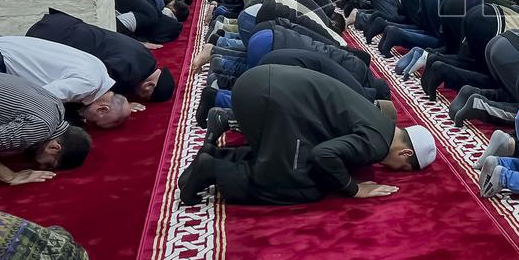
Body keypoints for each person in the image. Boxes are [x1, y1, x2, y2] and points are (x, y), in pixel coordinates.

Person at [179, 65, 437, 205]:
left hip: (261, 84)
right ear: (405, 152)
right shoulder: (378, 143)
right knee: (300, 186)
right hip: (268, 99)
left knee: (283, 159)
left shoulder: (382, 120)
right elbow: (323, 154)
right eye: (403, 168)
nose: (395, 171)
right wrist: (353, 188)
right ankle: (211, 168)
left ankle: (217, 154)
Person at [0, 35, 132, 128]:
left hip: (0, 47)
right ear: (102, 109)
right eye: (93, 121)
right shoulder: (88, 85)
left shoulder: (99, 70)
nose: (87, 121)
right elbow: (37, 101)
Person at [0, 70, 92, 185]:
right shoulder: (42, 126)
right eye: (49, 164)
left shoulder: (57, 105)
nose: (41, 167)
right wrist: (11, 176)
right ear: (54, 148)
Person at [26, 9, 175, 101]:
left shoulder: (147, 56)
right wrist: (120, 102)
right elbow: (95, 84)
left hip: (62, 22)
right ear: (149, 86)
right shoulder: (128, 71)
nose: (138, 96)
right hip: (49, 37)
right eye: (144, 96)